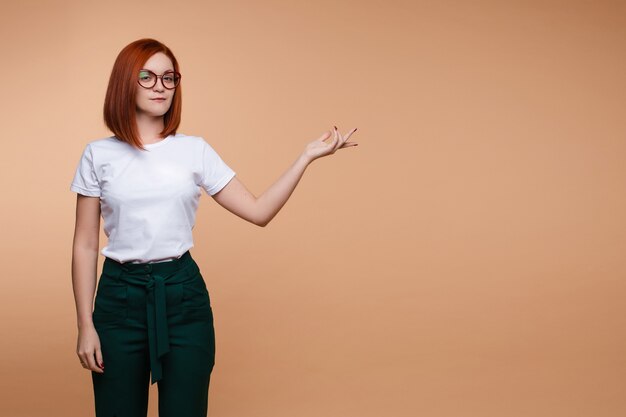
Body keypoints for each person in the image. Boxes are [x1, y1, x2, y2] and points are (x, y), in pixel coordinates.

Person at [70, 38, 358, 417]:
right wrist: (85, 324)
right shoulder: (98, 154)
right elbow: (86, 245)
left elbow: (258, 211)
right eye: (148, 76)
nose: (160, 86)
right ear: (126, 81)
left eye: (169, 78)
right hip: (118, 302)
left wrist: (305, 157)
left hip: (182, 299)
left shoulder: (194, 150)